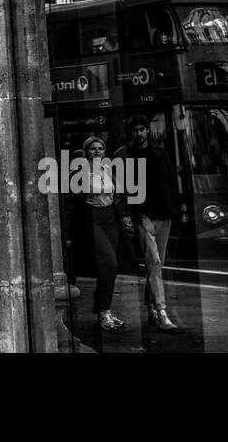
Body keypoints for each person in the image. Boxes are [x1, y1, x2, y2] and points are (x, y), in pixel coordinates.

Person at [120, 116, 181, 331]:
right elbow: (120, 188)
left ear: (148, 131)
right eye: (135, 130)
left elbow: (172, 181)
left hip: (164, 214)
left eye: (142, 129)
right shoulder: (124, 154)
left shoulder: (160, 152)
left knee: (155, 264)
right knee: (154, 262)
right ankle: (162, 311)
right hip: (142, 215)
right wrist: (125, 214)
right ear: (131, 133)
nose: (139, 133)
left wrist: (174, 207)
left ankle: (150, 310)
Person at [76, 137, 129, 331]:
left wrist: (123, 217)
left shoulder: (109, 169)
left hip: (110, 218)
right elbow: (75, 200)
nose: (97, 151)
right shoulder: (80, 172)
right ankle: (103, 311)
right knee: (109, 262)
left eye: (100, 148)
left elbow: (118, 196)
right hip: (92, 217)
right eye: (93, 149)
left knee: (110, 268)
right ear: (86, 152)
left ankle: (105, 311)